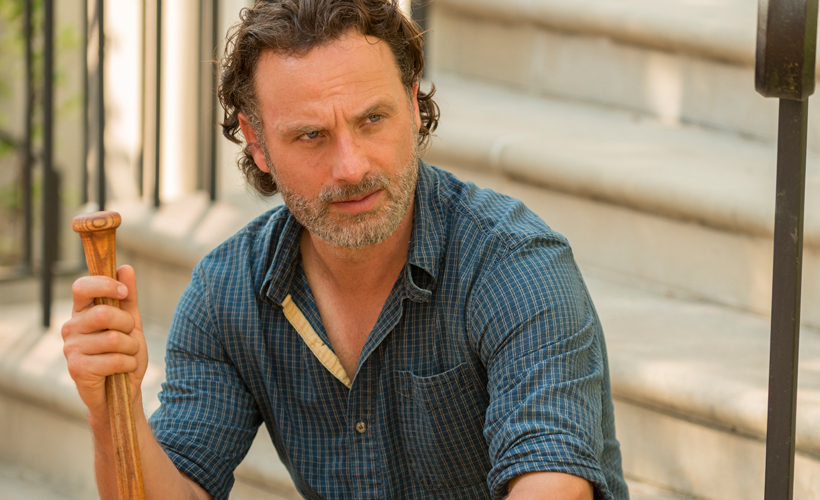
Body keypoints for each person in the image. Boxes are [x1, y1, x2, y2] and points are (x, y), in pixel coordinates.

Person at [61, 1, 628, 499]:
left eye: (372, 119)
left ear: (413, 105)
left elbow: (554, 486)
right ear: (257, 144)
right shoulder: (228, 293)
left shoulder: (514, 264)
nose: (351, 167)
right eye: (311, 135)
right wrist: (114, 408)